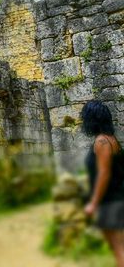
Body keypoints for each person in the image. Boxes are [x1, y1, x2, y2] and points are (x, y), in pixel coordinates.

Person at [82, 100, 124, 266]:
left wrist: (93, 203)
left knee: (118, 248)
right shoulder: (111, 139)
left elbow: (104, 174)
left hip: (110, 201)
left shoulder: (102, 141)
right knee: (118, 247)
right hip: (116, 198)